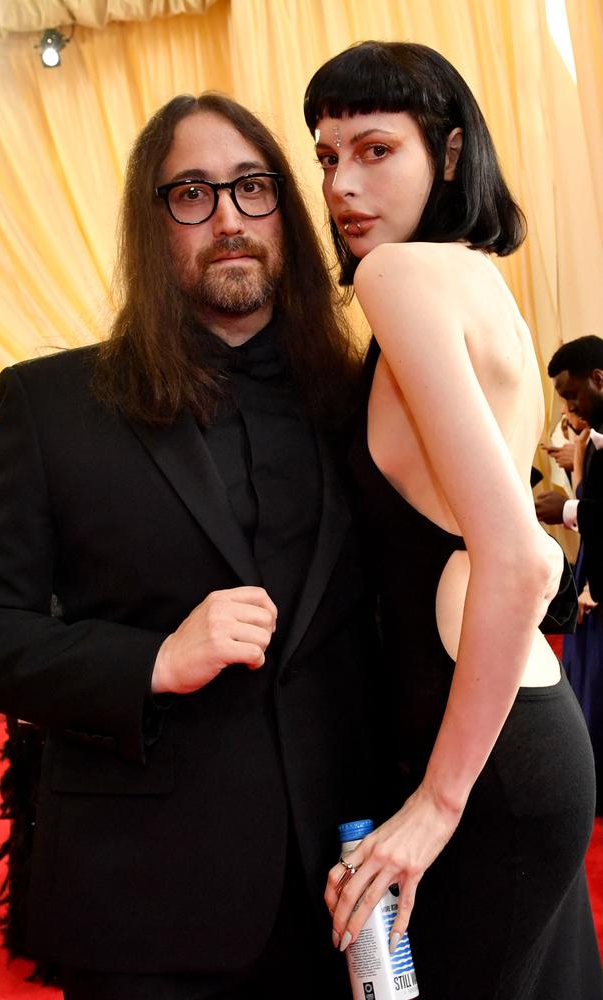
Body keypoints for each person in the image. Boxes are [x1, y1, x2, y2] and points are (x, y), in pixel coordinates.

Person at [0, 93, 386, 1000]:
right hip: (142, 902)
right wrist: (152, 661)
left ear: (286, 209)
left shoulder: (365, 398)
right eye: (191, 194)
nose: (228, 218)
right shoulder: (51, 404)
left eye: (252, 188)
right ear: (153, 226)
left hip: (345, 893)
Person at [303, 41, 601, 999]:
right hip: (523, 726)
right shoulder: (480, 282)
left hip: (483, 754)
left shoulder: (398, 277)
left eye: (375, 149)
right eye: (325, 155)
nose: (343, 183)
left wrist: (437, 802)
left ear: (453, 149)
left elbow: (519, 558)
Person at [536, 334, 603, 816]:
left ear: (598, 379)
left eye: (571, 393)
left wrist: (571, 508)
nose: (569, 405)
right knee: (586, 675)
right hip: (592, 571)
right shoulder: (592, 437)